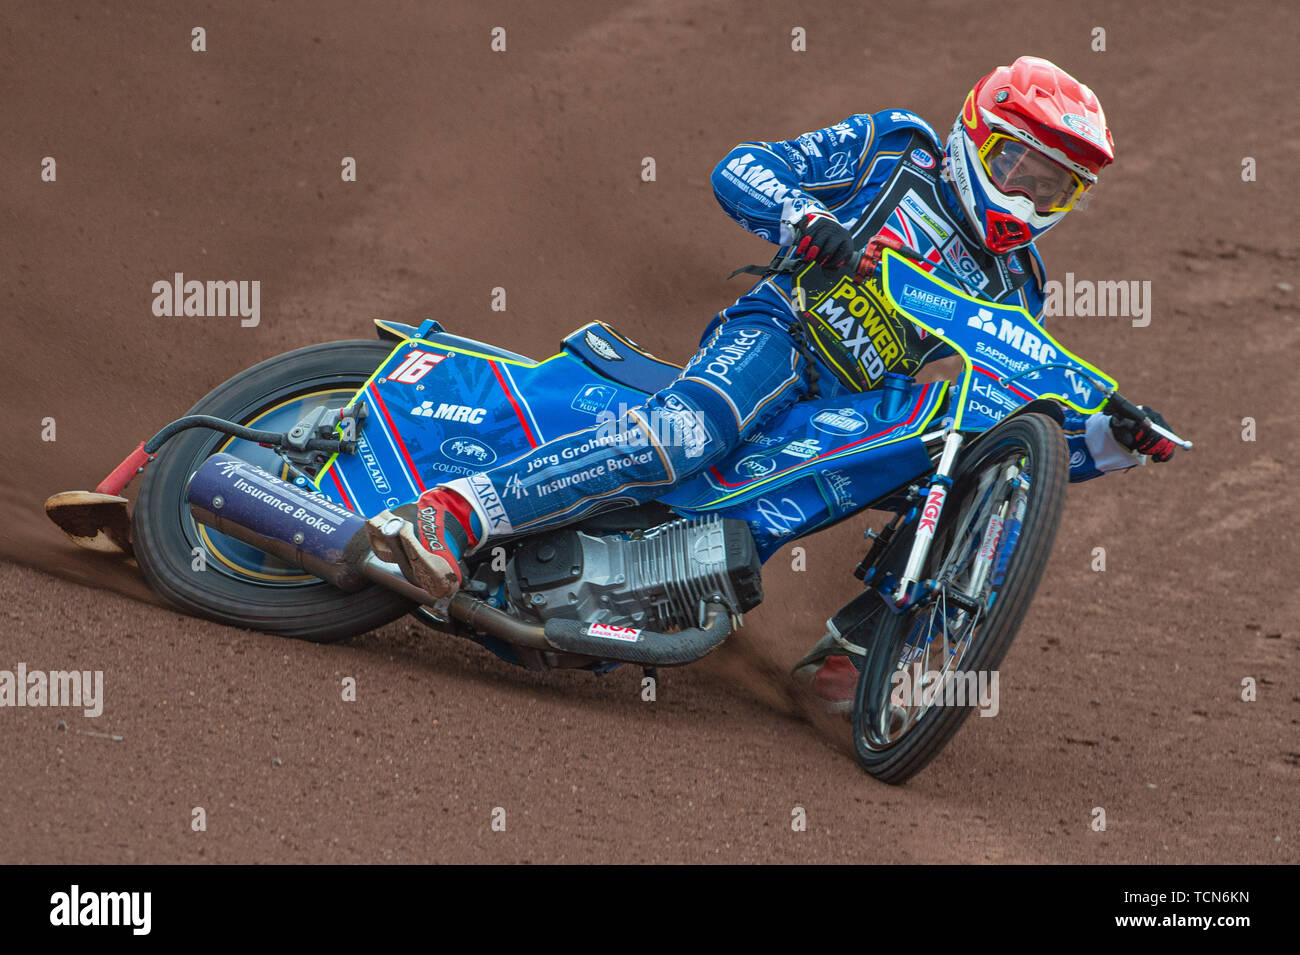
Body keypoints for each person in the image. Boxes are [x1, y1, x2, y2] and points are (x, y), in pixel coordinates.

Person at [364, 56, 1176, 705]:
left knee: (949, 464)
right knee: (685, 433)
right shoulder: (897, 150)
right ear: (977, 132)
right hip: (783, 333)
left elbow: (1020, 426)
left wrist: (1109, 437)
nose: (1031, 195)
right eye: (1022, 166)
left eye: (1055, 185)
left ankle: (858, 652)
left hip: (849, 407)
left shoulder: (1021, 286)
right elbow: (742, 167)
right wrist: (806, 218)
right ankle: (451, 514)